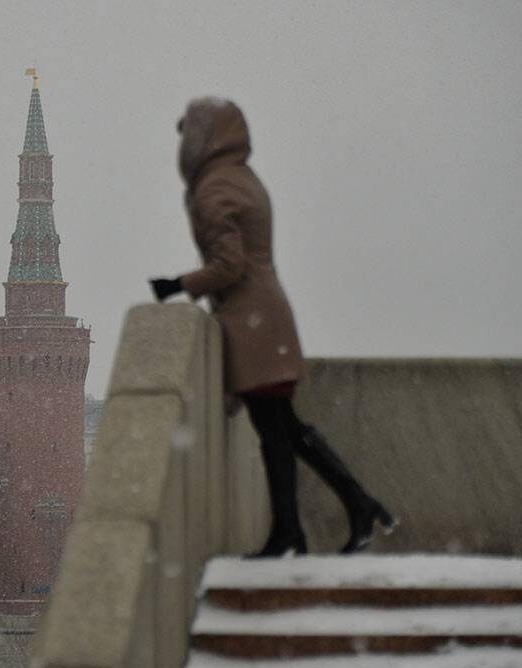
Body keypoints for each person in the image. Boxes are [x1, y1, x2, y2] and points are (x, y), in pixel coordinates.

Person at [150, 97, 397, 558]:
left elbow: (229, 265)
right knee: (286, 427)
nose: (182, 145)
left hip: (250, 323)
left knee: (276, 431)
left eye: (188, 136)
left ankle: (295, 531)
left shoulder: (215, 188)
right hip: (269, 316)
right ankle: (354, 507)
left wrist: (177, 284)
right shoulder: (245, 179)